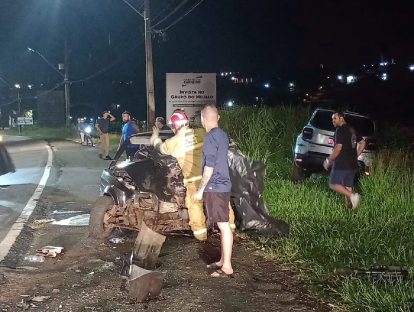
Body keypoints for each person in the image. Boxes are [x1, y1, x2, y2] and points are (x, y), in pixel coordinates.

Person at [194, 104, 234, 278]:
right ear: (218, 118)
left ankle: (227, 267)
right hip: (223, 185)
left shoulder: (210, 138)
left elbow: (209, 167)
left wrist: (200, 190)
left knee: (223, 226)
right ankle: (222, 260)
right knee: (223, 224)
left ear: (203, 120)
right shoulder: (222, 135)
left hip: (215, 186)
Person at [323, 110, 366, 209]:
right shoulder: (352, 129)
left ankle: (353, 196)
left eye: (335, 118)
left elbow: (338, 148)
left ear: (341, 118)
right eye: (332, 119)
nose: (332, 120)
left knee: (333, 184)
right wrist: (355, 155)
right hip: (352, 164)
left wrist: (329, 160)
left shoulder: (340, 130)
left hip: (342, 162)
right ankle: (350, 209)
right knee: (347, 187)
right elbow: (363, 142)